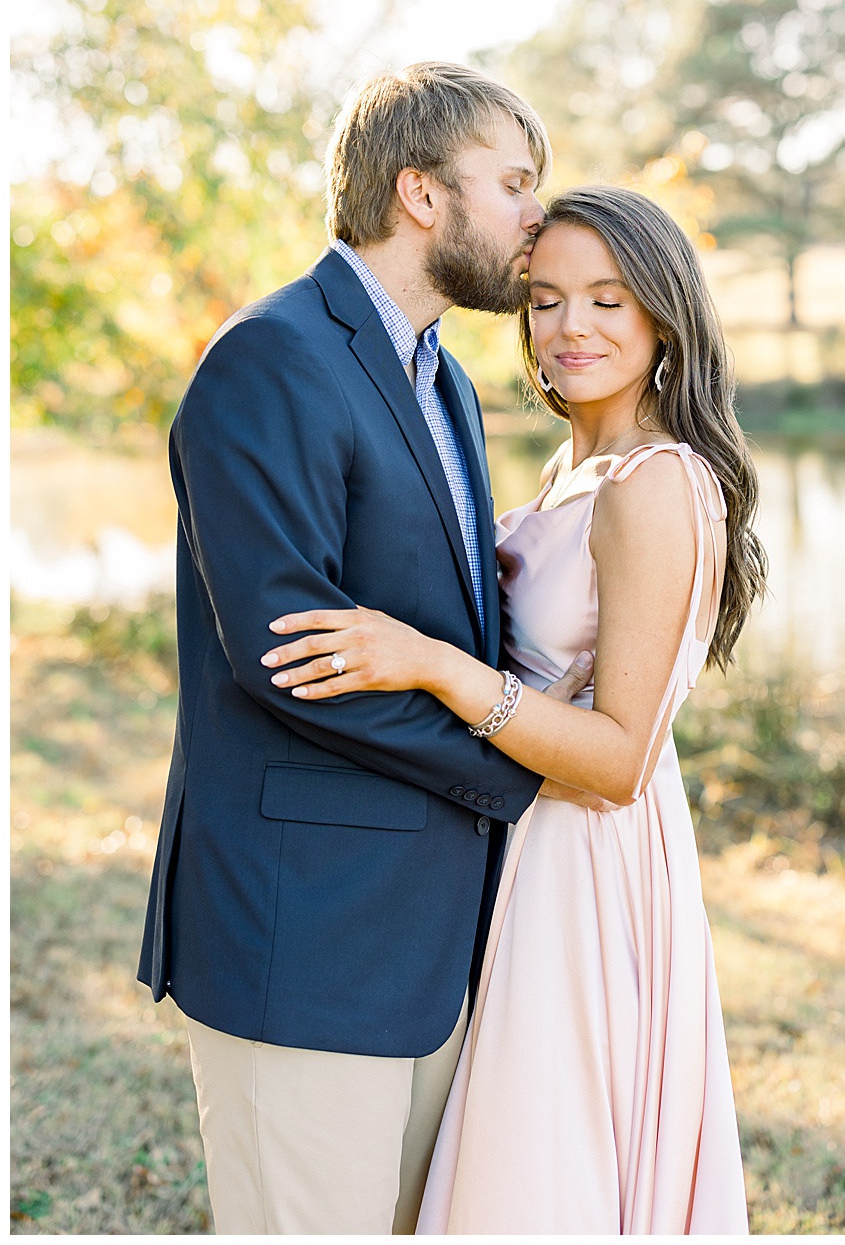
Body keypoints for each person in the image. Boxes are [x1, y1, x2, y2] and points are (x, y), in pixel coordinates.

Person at [136, 63, 588, 1232]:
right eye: (514, 182)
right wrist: (519, 764)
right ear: (421, 195)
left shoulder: (443, 382)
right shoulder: (273, 357)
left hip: (427, 943)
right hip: (304, 935)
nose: (536, 212)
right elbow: (291, 654)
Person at [260, 185, 765, 1232]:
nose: (569, 327)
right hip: (514, 834)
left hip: (580, 862)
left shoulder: (653, 483)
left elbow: (620, 759)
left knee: (540, 1171)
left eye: (607, 301)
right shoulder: (573, 465)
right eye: (545, 300)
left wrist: (439, 666)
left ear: (665, 317)